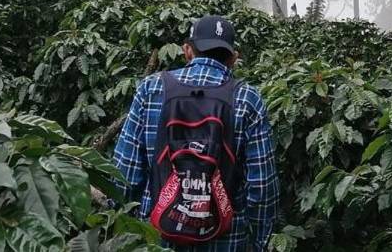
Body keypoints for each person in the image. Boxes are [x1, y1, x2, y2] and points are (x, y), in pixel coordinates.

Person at [112, 15, 279, 251]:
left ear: (187, 50)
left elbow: (126, 172)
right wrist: (260, 241)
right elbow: (262, 186)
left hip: (157, 236)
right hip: (226, 240)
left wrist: (123, 229)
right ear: (233, 58)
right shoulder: (247, 98)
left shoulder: (151, 88)